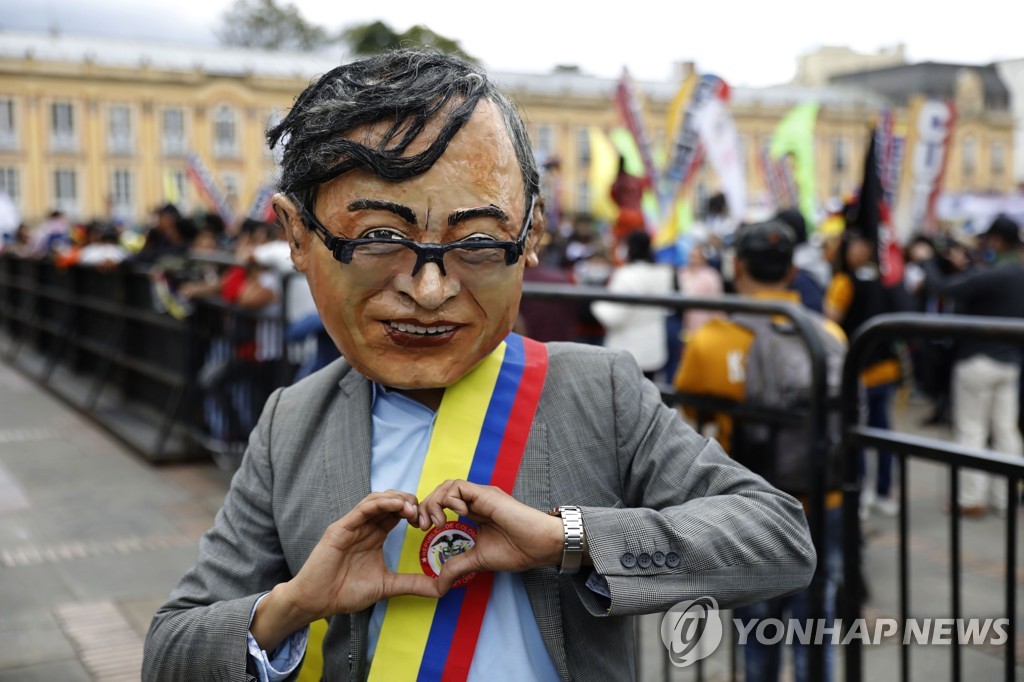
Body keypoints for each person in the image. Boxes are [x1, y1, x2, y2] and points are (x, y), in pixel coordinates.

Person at [143, 49, 815, 682]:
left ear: (532, 237)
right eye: (380, 238)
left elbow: (777, 538)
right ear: (296, 235)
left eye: (478, 244)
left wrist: (570, 541)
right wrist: (290, 606)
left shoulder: (594, 393)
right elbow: (172, 647)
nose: (430, 290)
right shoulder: (293, 423)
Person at [674, 220, 846, 682]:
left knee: (756, 633)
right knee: (817, 629)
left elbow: (687, 408)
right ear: (791, 271)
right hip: (822, 498)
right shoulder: (829, 335)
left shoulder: (712, 341)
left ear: (738, 266)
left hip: (752, 509)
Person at [913, 215, 1024, 517]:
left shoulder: (994, 274)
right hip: (1011, 363)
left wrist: (927, 262)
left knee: (971, 431)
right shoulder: (1014, 272)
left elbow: (942, 288)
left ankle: (971, 499)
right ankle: (1006, 497)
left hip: (977, 362)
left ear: (998, 242)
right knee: (1006, 431)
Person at [824, 228, 901, 519]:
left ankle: (863, 492)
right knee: (882, 433)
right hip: (886, 368)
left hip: (861, 372)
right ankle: (881, 492)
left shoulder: (844, 282)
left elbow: (830, 321)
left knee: (858, 433)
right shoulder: (884, 280)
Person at [591, 230, 675, 381]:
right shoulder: (663, 273)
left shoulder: (625, 275)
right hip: (653, 350)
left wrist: (595, 302)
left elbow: (613, 317)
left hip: (627, 351)